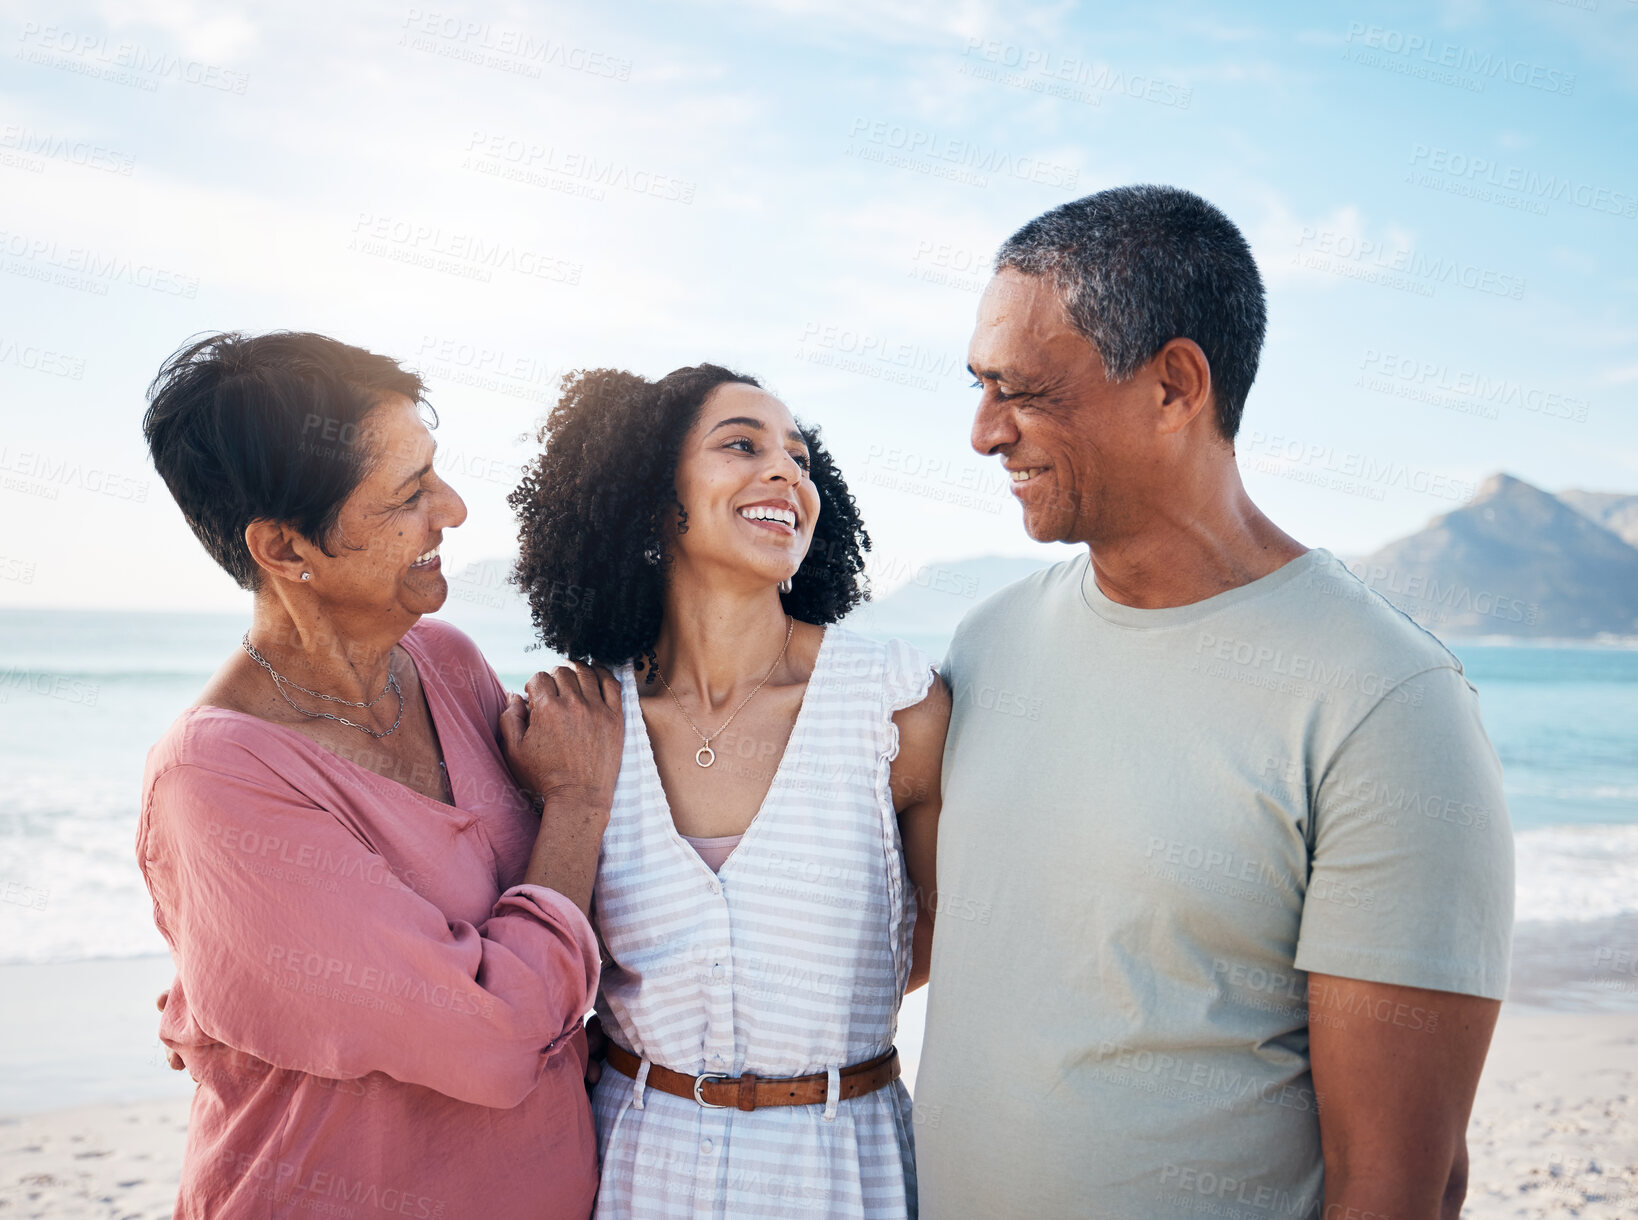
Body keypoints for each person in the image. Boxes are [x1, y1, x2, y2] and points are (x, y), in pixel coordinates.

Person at [913, 187, 1515, 1218]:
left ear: (1174, 384)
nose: (982, 433)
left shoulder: (1386, 704)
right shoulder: (986, 644)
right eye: (978, 385)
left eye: (1021, 390)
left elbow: (1400, 1183)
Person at [138, 331, 620, 1220]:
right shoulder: (216, 776)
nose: (456, 509)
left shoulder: (443, 657)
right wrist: (578, 803)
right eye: (409, 495)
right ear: (285, 551)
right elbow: (496, 1041)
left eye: (435, 471)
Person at [509, 364, 949, 1219]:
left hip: (841, 1166)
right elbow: (543, 958)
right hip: (640, 1164)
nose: (786, 472)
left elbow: (943, 935)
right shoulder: (587, 721)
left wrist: (795, 1010)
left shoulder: (894, 708)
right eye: (741, 445)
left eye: (800, 457)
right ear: (651, 496)